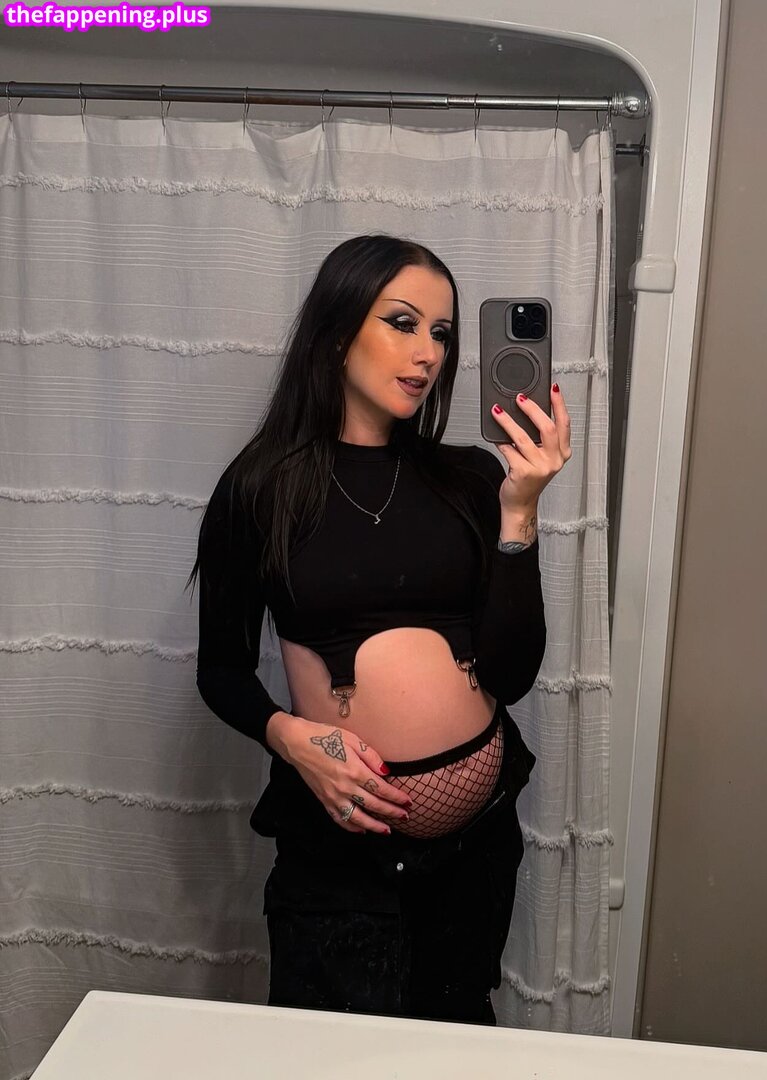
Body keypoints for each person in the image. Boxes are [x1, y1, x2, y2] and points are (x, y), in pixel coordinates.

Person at [187, 233, 571, 1025]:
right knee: (334, 1059)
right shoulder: (260, 489)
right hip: (340, 860)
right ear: (336, 331)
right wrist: (292, 740)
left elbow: (511, 674)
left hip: (473, 857)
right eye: (402, 323)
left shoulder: (471, 478)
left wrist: (521, 512)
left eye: (442, 333)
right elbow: (221, 670)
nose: (427, 352)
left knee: (454, 1050)